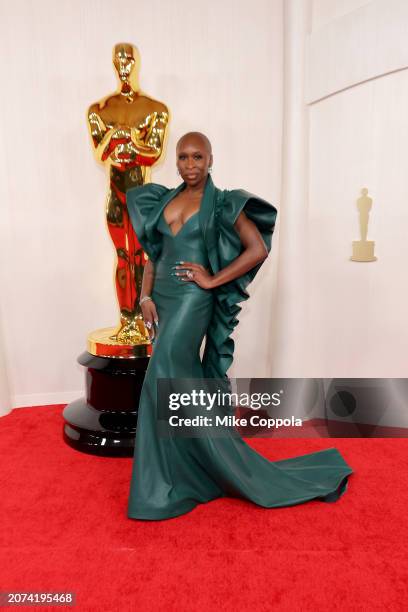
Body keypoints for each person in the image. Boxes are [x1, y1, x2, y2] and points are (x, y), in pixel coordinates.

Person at [126, 131, 353, 520]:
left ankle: (159, 487)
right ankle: (195, 469)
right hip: (161, 300)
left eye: (199, 157)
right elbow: (153, 255)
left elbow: (258, 248)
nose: (191, 165)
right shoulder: (164, 199)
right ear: (176, 161)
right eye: (183, 157)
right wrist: (144, 297)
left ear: (211, 159)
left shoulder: (222, 203)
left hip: (192, 302)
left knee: (159, 379)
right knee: (179, 386)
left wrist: (213, 281)